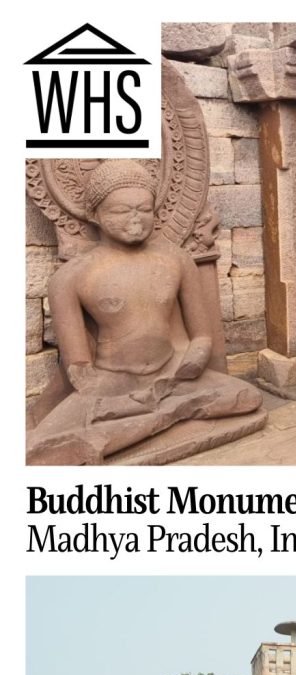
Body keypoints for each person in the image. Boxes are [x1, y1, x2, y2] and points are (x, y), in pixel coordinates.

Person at [26, 159, 262, 465]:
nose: (135, 220)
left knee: (246, 397)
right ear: (94, 214)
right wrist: (115, 397)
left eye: (144, 210)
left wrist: (190, 363)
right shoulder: (70, 278)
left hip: (173, 374)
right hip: (113, 383)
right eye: (121, 211)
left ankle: (144, 422)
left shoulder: (176, 260)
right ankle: (164, 414)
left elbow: (202, 336)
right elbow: (79, 366)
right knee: (41, 449)